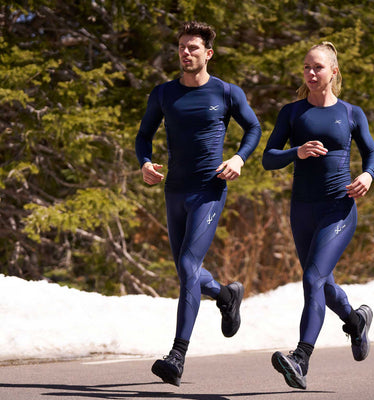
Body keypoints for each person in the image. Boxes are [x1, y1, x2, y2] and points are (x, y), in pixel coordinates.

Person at [135, 21, 261, 387]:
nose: (185, 53)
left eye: (193, 47)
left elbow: (252, 128)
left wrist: (238, 158)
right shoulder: (163, 94)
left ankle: (177, 355)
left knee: (189, 265)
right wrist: (145, 163)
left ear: (208, 53)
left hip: (209, 189)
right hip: (174, 190)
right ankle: (226, 294)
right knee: (184, 270)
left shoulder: (226, 92)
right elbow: (143, 136)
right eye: (181, 47)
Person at [262, 42, 374, 390]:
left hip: (338, 208)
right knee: (323, 285)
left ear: (334, 72)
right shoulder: (292, 113)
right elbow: (268, 157)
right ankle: (356, 320)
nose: (311, 74)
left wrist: (367, 176)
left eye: (318, 68)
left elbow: (370, 152)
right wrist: (296, 151)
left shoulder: (351, 113)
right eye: (307, 68)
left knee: (312, 279)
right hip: (302, 209)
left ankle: (301, 357)